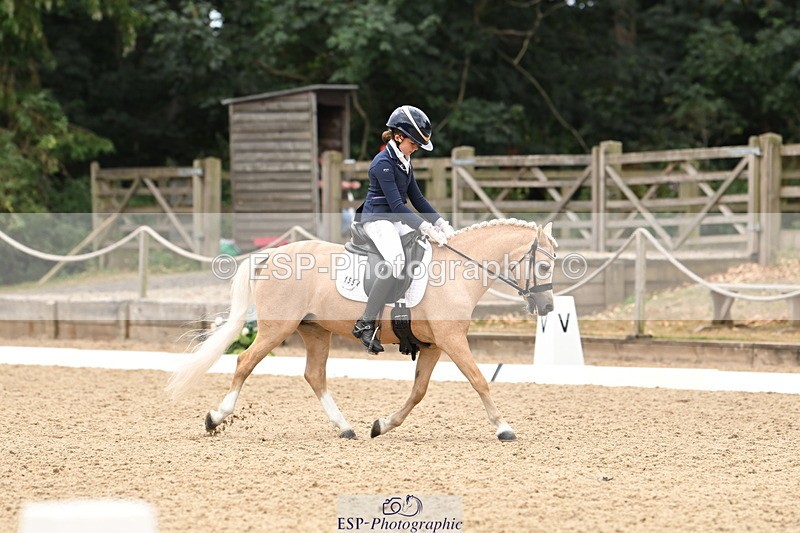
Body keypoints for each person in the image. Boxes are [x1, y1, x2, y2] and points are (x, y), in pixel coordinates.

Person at [352, 105, 456, 353]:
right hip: (378, 219)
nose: (416, 149)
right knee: (397, 260)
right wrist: (424, 226)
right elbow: (397, 205)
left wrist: (441, 223)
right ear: (399, 137)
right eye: (414, 143)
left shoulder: (405, 160)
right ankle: (365, 322)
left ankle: (405, 315)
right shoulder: (382, 163)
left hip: (395, 218)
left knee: (422, 250)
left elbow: (417, 199)